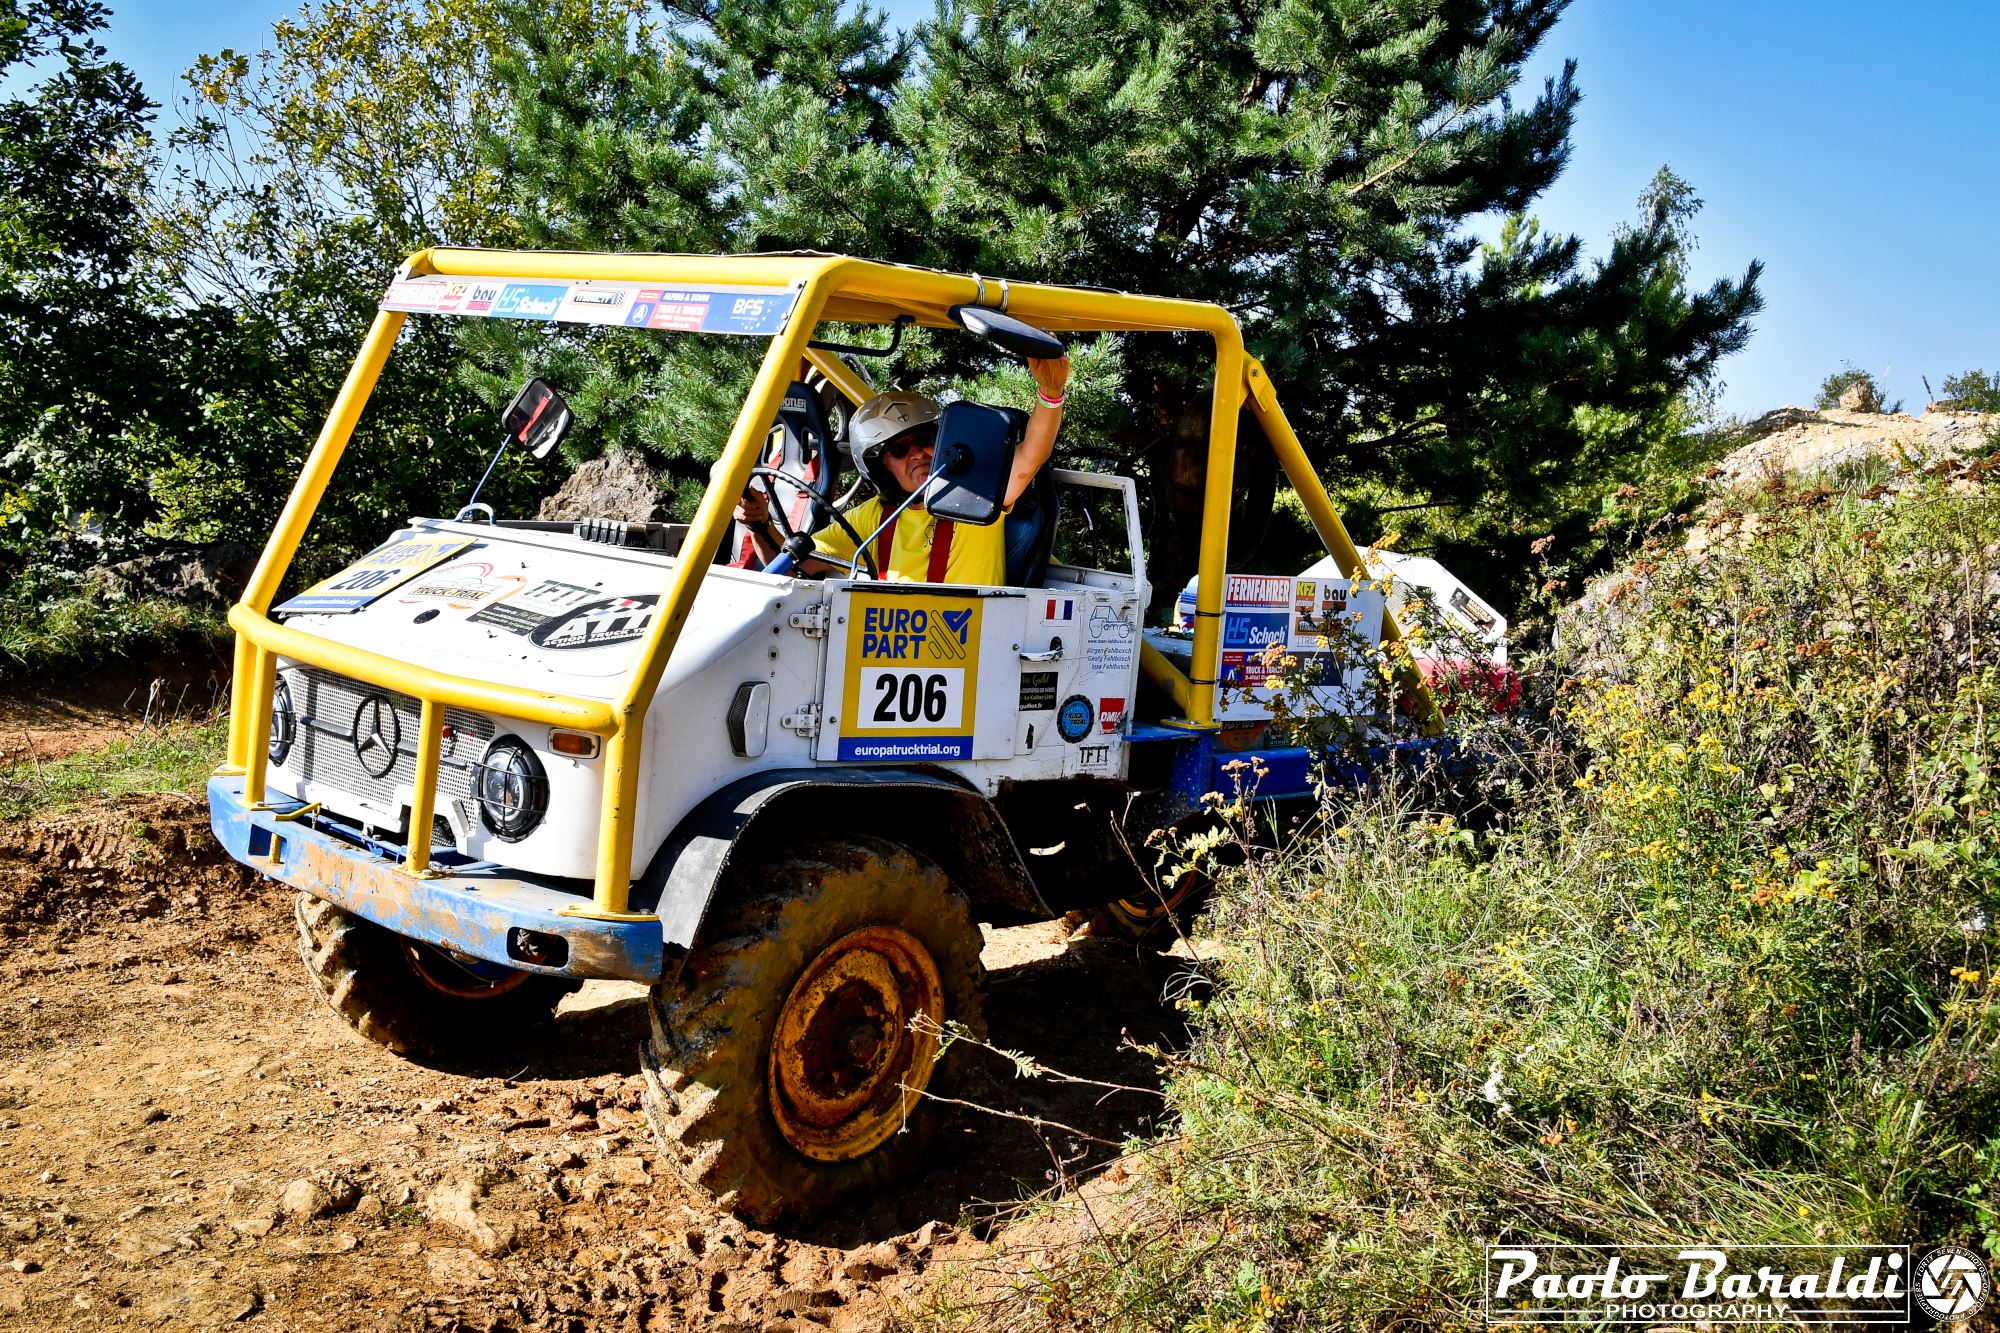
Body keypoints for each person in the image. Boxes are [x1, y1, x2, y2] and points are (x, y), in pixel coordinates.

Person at [734, 354, 1069, 584]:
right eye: (899, 449)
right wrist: (759, 524)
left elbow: (1030, 457)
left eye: (924, 440)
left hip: (967, 652)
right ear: (881, 469)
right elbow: (792, 568)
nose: (918, 454)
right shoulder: (872, 517)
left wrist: (1051, 393)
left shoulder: (973, 495)